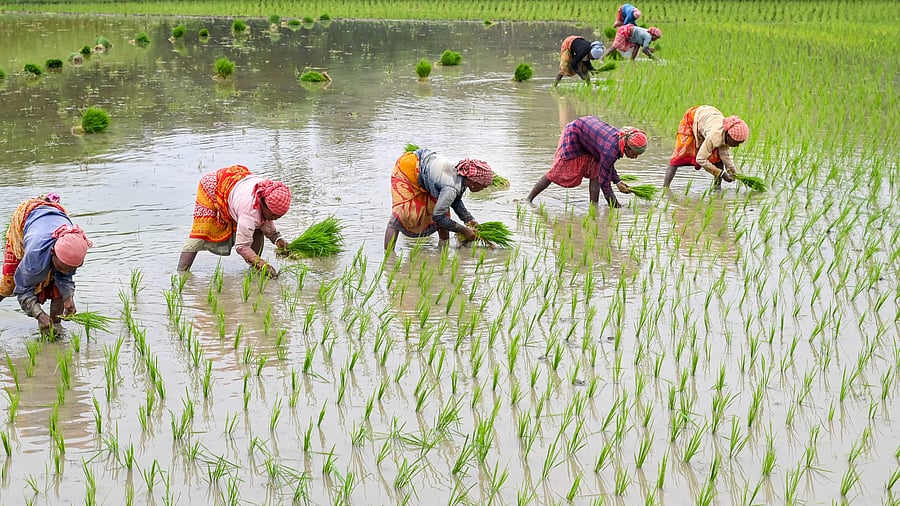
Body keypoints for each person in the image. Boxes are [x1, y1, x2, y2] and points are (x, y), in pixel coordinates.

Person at [1, 194, 93, 336]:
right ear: (52, 252)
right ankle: (46, 323)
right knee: (9, 285)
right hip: (26, 217)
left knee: (58, 289)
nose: (65, 271)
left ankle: (54, 331)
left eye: (70, 268)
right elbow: (23, 290)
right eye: (62, 266)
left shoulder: (73, 247)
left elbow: (65, 278)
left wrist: (68, 298)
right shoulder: (35, 255)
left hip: (54, 215)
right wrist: (39, 315)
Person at [177, 165, 292, 278]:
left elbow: (266, 225)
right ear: (263, 205)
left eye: (279, 216)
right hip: (212, 186)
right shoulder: (249, 212)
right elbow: (241, 246)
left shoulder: (268, 192)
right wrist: (262, 264)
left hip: (236, 182)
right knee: (201, 232)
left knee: (258, 230)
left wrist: (278, 240)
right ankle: (181, 273)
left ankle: (253, 272)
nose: (275, 219)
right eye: (273, 215)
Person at [385, 148, 494, 251]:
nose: (483, 189)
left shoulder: (463, 178)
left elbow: (456, 201)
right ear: (474, 184)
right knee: (402, 214)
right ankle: (389, 256)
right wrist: (464, 230)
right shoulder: (451, 187)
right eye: (483, 186)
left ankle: (443, 248)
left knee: (443, 211)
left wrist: (469, 219)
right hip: (409, 169)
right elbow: (438, 217)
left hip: (427, 172)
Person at [526, 117, 647, 209]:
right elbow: (604, 182)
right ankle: (528, 199)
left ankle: (593, 207)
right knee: (557, 171)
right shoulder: (610, 150)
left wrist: (618, 181)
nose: (635, 157)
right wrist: (615, 205)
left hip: (590, 137)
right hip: (575, 133)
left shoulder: (619, 141)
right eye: (635, 154)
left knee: (596, 172)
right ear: (627, 148)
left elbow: (607, 166)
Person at [663, 105, 750, 188]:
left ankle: (717, 189)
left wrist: (732, 172)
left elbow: (724, 154)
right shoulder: (714, 136)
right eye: (736, 143)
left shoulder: (726, 133)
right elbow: (700, 159)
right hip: (694, 118)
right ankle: (665, 189)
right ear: (728, 135)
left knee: (719, 160)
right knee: (678, 157)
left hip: (709, 115)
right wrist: (721, 174)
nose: (737, 146)